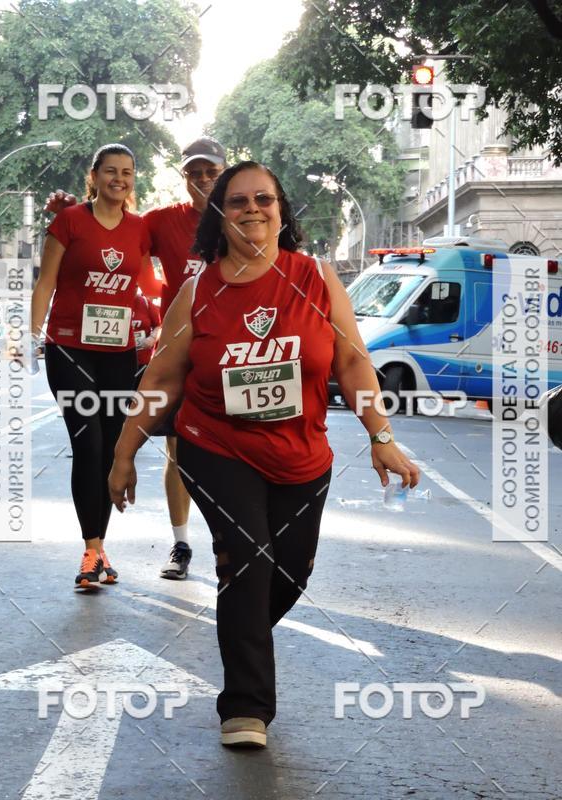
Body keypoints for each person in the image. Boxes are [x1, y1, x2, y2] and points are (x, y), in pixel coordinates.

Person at [108, 161, 420, 747]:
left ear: (281, 210)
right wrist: (124, 454)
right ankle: (246, 708)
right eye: (238, 202)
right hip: (216, 446)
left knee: (289, 573)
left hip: (302, 455)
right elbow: (163, 377)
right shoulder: (198, 291)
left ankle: (240, 625)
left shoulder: (317, 277)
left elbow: (352, 362)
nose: (252, 209)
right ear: (220, 217)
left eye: (264, 199)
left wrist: (382, 437)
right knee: (248, 561)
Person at [45, 136, 227, 580]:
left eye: (212, 172)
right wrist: (72, 210)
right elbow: (107, 223)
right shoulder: (160, 222)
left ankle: (231, 543)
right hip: (177, 354)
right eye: (194, 172)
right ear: (183, 177)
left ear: (225, 174)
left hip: (233, 354)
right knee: (175, 449)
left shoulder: (245, 217)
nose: (203, 179)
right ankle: (179, 545)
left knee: (231, 450)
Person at [32, 143, 161, 589]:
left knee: (109, 449)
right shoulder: (69, 221)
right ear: (93, 176)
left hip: (119, 354)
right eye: (110, 171)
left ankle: (99, 548)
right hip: (69, 348)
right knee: (86, 443)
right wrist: (32, 335)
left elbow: (147, 284)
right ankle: (91, 551)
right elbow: (46, 280)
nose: (119, 179)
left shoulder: (140, 229)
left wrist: (164, 323)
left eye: (127, 172)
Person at [131, 291, 161, 384]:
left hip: (142, 361)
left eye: (136, 285)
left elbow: (159, 326)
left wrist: (152, 338)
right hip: (117, 360)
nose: (134, 287)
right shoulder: (115, 300)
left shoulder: (145, 302)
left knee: (137, 391)